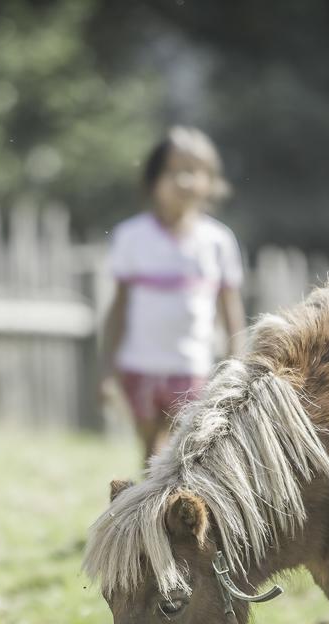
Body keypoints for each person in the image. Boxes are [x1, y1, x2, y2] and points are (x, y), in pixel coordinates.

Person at [101, 126, 247, 464]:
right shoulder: (131, 237)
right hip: (139, 366)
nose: (184, 181)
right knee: (150, 455)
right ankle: (148, 514)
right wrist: (107, 369)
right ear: (153, 179)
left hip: (193, 367)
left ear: (211, 181)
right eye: (174, 171)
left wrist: (236, 366)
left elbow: (230, 311)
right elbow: (119, 308)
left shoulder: (217, 242)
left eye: (194, 172)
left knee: (187, 455)